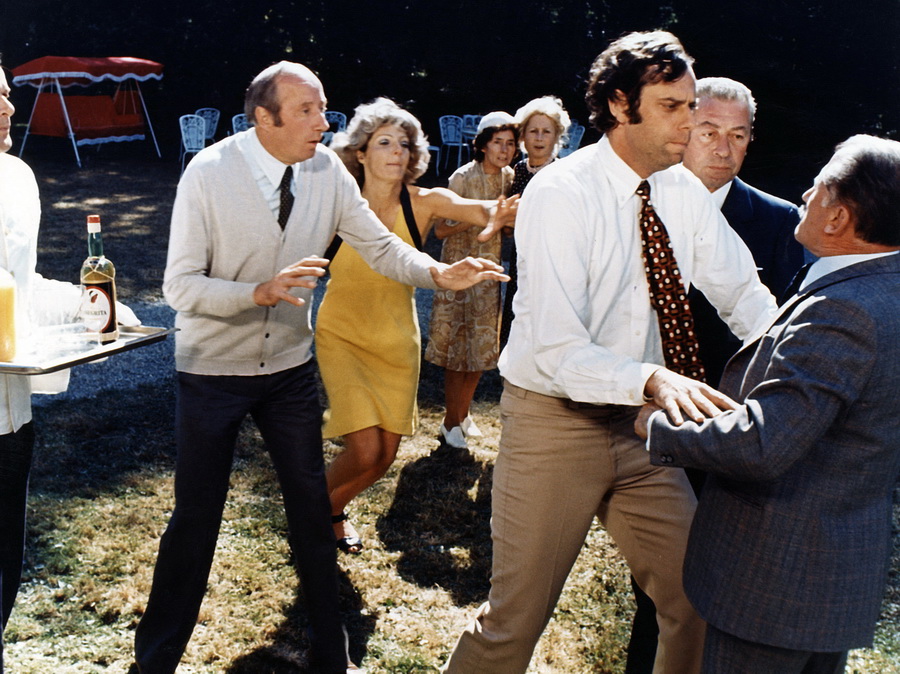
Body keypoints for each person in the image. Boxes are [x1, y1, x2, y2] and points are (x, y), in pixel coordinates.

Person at [131, 62, 507, 674]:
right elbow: (181, 287)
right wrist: (256, 292)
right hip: (212, 373)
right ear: (264, 118)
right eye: (306, 111)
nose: (323, 122)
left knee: (311, 508)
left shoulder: (327, 170)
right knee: (196, 519)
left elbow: (380, 245)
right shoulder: (209, 172)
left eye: (323, 108)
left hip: (287, 370)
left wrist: (439, 273)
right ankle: (154, 663)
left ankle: (334, 657)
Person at [442, 31, 777, 674]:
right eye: (672, 107)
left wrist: (797, 363)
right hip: (554, 423)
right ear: (621, 105)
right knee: (514, 623)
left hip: (641, 430)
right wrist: (653, 378)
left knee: (696, 600)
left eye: (691, 105)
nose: (690, 122)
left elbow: (744, 294)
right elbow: (557, 348)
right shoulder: (560, 192)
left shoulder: (681, 191)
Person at [636, 134, 900, 674]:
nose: (805, 195)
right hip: (831, 579)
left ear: (839, 218)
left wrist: (657, 426)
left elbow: (763, 443)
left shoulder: (843, 310)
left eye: (819, 186)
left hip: (773, 585)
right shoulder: (883, 291)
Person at [317, 98, 516, 554]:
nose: (396, 152)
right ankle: (312, 512)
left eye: (404, 144)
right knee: (365, 451)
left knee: (384, 457)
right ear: (361, 152)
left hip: (396, 340)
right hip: (342, 335)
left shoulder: (425, 202)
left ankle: (330, 509)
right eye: (384, 142)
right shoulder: (336, 202)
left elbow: (485, 210)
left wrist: (517, 208)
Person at [0, 61, 122, 672]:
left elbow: (17, 288)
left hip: (9, 417)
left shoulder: (18, 178)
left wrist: (86, 306)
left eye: (6, 95)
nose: (8, 108)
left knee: (5, 569)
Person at [684, 77, 805, 385]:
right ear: (681, 131)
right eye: (709, 134)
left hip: (727, 394)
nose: (723, 150)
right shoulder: (639, 200)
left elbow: (779, 323)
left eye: (737, 136)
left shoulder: (779, 219)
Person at [425, 112, 518, 451]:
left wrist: (505, 222)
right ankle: (450, 420)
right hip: (459, 270)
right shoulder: (462, 177)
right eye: (498, 143)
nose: (504, 150)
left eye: (510, 144)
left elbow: (507, 228)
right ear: (482, 145)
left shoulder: (510, 178)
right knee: (457, 349)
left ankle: (463, 414)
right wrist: (478, 217)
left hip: (488, 273)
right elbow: (440, 230)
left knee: (480, 348)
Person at [500, 96, 571, 346]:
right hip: (520, 260)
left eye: (546, 132)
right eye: (533, 131)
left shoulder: (564, 175)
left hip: (552, 262)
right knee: (516, 323)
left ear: (557, 136)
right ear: (523, 136)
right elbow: (509, 227)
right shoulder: (518, 171)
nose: (539, 138)